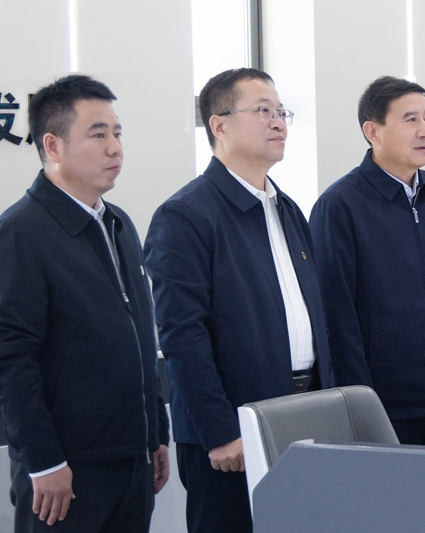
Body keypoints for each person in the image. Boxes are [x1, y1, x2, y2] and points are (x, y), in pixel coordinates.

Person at [144, 68, 334, 533]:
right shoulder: (185, 215)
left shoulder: (287, 209)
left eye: (282, 111)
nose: (279, 122)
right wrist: (221, 430)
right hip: (233, 431)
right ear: (219, 125)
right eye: (263, 111)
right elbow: (182, 337)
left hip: (302, 412)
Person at [0, 74, 170, 533]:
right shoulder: (19, 234)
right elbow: (12, 360)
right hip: (66, 471)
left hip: (132, 459)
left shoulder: (118, 224)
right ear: (52, 146)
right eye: (98, 135)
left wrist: (156, 433)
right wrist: (44, 461)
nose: (115, 148)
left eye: (117, 134)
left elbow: (141, 334)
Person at [309, 76, 425, 448]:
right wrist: (359, 405)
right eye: (410, 120)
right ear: (372, 131)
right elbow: (336, 318)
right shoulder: (340, 206)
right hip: (385, 407)